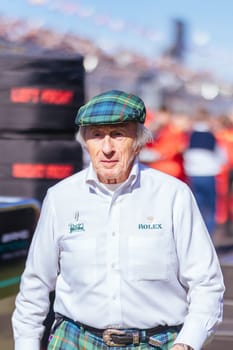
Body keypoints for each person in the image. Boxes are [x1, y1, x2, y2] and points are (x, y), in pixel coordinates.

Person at [12, 90, 225, 350]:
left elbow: (206, 283)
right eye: (97, 136)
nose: (107, 148)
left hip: (157, 343)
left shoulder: (173, 195)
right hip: (75, 340)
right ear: (85, 141)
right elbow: (35, 284)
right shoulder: (60, 198)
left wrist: (187, 343)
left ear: (137, 140)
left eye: (118, 134)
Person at [183, 109, 227, 235]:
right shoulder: (212, 136)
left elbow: (185, 153)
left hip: (193, 174)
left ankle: (197, 232)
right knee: (211, 206)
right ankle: (208, 233)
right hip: (209, 174)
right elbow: (222, 157)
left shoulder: (189, 136)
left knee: (197, 205)